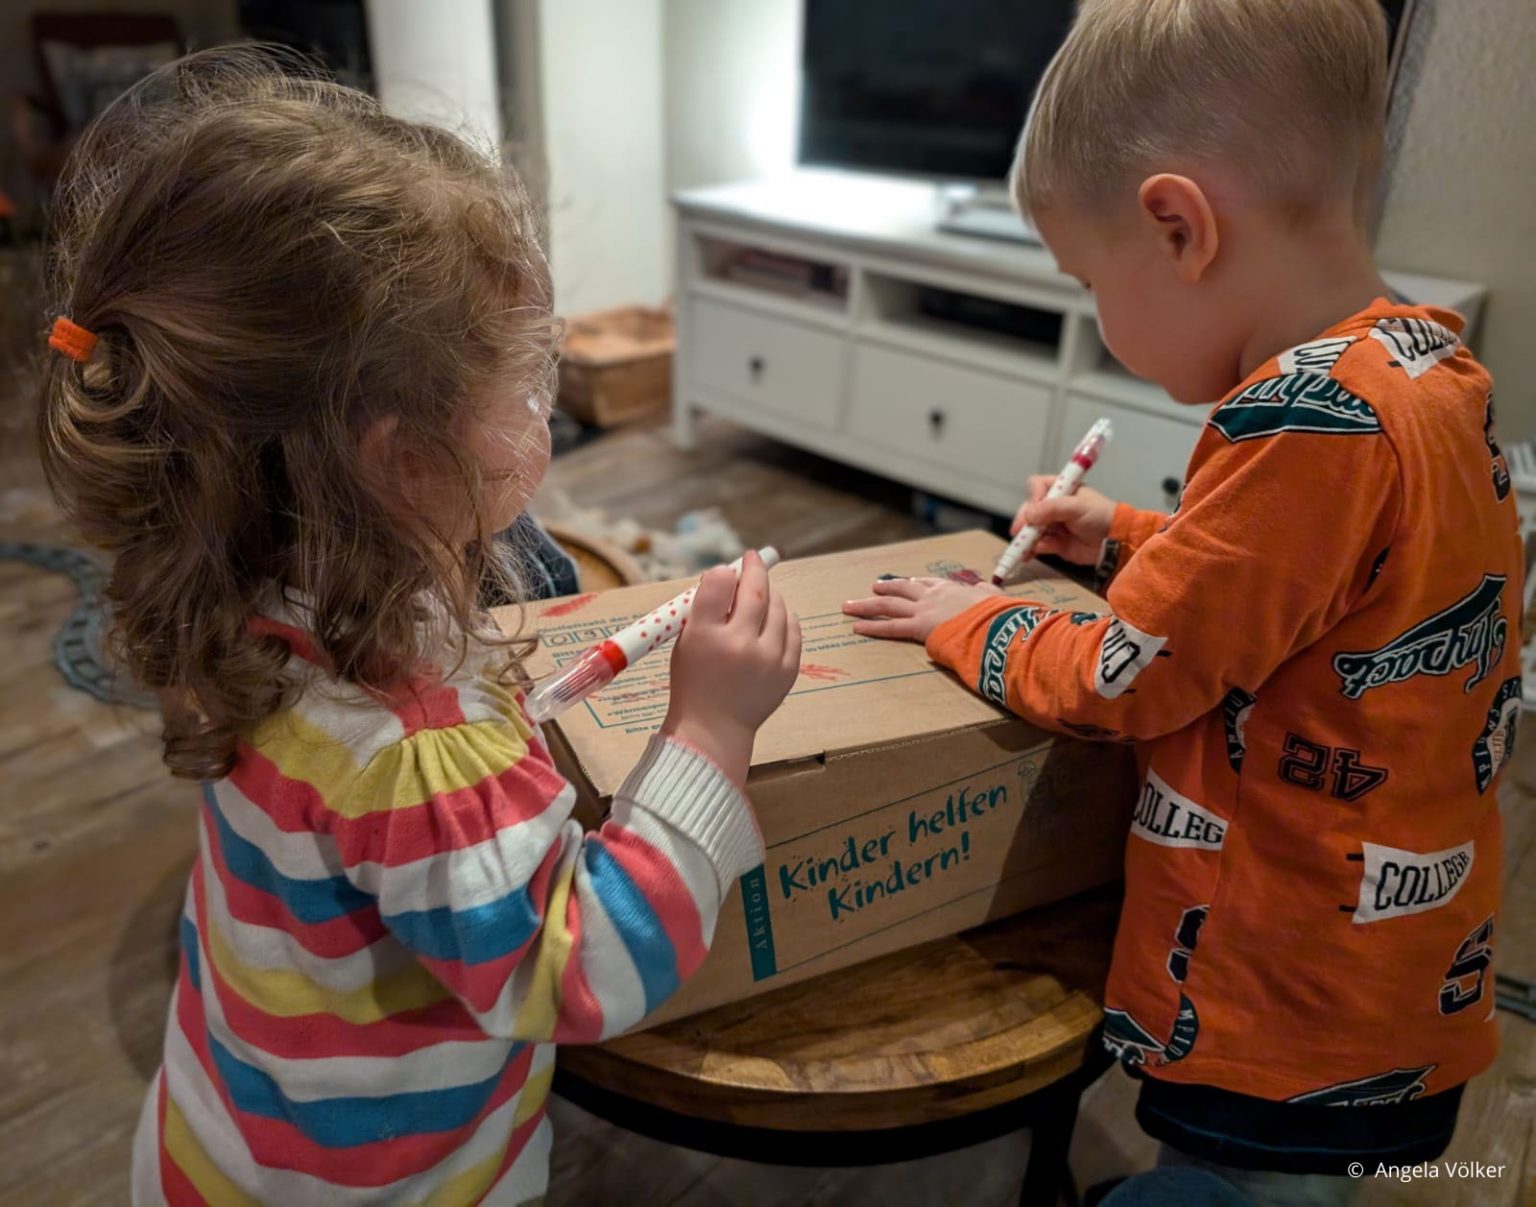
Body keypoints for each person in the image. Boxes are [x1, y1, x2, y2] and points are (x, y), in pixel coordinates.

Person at [37, 48, 800, 1205]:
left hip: (230, 1129)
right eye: (532, 378)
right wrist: (711, 732)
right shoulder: (411, 747)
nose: (548, 400)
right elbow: (583, 970)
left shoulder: (244, 576)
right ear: (406, 462)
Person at [844, 1, 1519, 1201]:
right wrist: (1124, 539)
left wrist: (972, 622)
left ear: (1176, 226)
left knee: (1229, 1191)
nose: (1100, 323)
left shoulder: (1295, 426)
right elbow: (1306, 588)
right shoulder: (1428, 374)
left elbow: (1130, 680)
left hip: (1283, 1004)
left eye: (1087, 279)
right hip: (1395, 979)